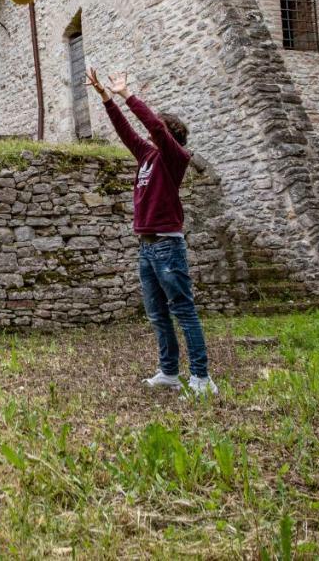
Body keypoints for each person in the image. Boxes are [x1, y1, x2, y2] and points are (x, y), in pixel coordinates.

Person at [86, 69, 217, 396]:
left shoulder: (175, 158)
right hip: (146, 247)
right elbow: (128, 133)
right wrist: (106, 98)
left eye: (158, 130)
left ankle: (201, 378)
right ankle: (169, 373)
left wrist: (127, 95)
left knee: (183, 311)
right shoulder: (147, 156)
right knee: (158, 314)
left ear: (169, 137)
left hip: (167, 247)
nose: (151, 133)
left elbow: (153, 127)